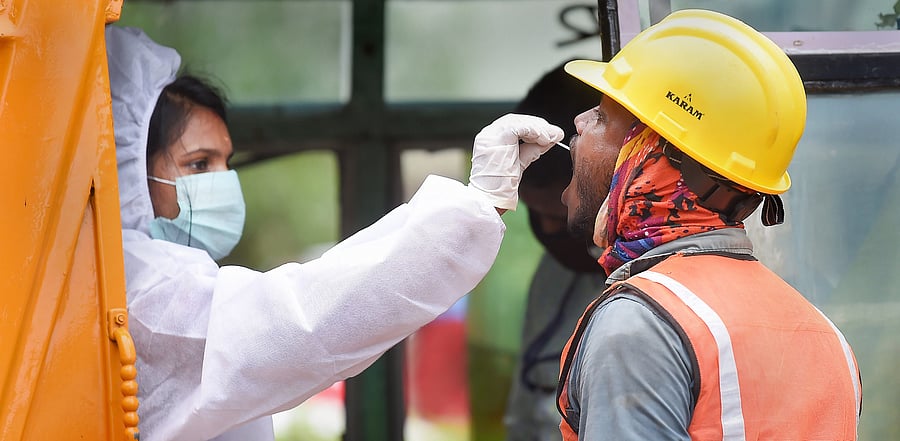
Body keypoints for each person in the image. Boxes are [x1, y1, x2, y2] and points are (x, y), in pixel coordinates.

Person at [105, 25, 564, 441]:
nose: (222, 182)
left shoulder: (168, 275)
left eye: (227, 162)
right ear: (130, 174)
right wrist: (476, 205)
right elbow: (304, 319)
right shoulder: (135, 284)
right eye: (198, 164)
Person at [554, 9, 862, 440]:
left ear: (651, 162)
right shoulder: (823, 334)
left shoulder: (641, 326)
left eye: (604, 118)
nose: (579, 123)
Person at [502, 61, 607, 441]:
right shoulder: (554, 276)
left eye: (558, 213)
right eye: (533, 213)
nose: (547, 231)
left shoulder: (654, 283)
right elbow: (525, 414)